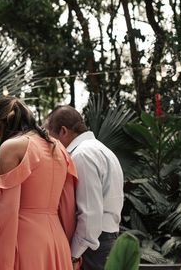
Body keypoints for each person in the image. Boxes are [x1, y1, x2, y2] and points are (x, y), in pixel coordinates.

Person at [0, 96, 77, 270]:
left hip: (23, 242)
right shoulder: (58, 147)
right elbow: (68, 205)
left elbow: (6, 211)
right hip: (57, 242)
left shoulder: (12, 147)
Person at [46, 105, 124, 270]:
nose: (51, 145)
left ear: (63, 131)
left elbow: (90, 216)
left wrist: (73, 256)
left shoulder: (82, 155)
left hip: (92, 248)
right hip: (105, 240)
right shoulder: (102, 149)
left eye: (51, 138)